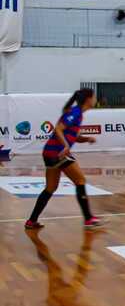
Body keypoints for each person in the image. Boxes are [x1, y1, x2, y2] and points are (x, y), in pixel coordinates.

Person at [25, 89, 102, 229]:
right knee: (80, 180)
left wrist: (87, 139)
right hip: (57, 153)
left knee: (50, 188)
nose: (96, 99)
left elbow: (74, 136)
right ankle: (89, 219)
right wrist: (66, 146)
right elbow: (58, 129)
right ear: (88, 99)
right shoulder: (75, 113)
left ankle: (32, 221)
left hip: (49, 153)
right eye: (94, 97)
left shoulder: (77, 113)